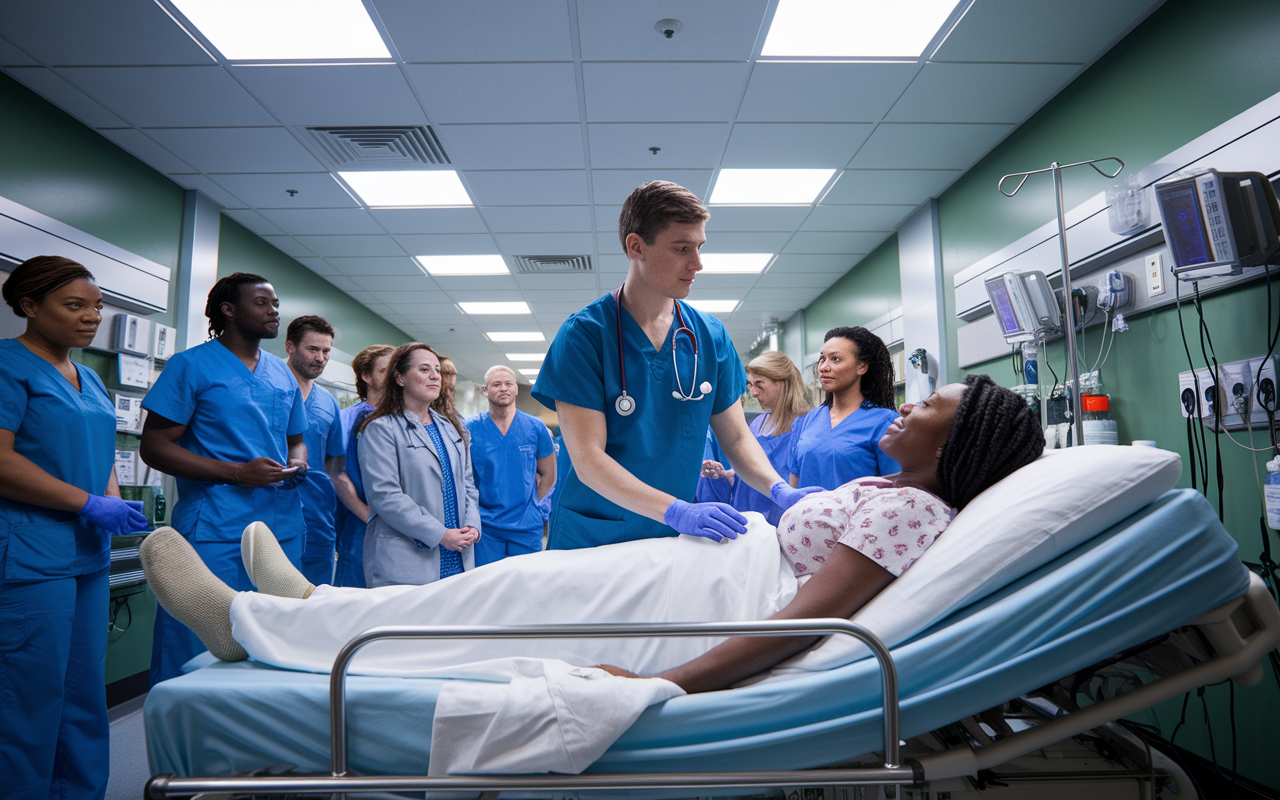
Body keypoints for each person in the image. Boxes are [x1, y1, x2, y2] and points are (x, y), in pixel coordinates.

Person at [139, 375, 1044, 696]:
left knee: (501, 606)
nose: (910, 407)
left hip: (702, 597)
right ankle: (309, 606)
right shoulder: (897, 491)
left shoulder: (910, 510)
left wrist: (670, 680)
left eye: (932, 406)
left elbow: (807, 622)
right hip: (697, 569)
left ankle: (250, 625)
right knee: (495, 594)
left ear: (959, 442)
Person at [532, 181, 820, 550]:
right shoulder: (585, 336)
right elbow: (588, 459)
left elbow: (734, 437)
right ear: (636, 247)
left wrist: (777, 488)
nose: (697, 264)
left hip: (675, 534)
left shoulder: (709, 336)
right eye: (681, 249)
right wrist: (677, 511)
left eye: (699, 248)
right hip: (595, 533)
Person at [0, 256, 148, 800]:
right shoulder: (6, 366)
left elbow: (100, 450)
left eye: (97, 307)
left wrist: (110, 499)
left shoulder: (86, 376)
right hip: (31, 553)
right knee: (28, 699)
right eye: (75, 306)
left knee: (85, 694)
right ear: (29, 306)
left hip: (88, 553)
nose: (91, 318)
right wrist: (85, 502)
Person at [139, 271, 308, 683]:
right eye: (263, 303)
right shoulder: (191, 366)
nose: (274, 311)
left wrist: (297, 463)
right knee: (202, 640)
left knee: (278, 636)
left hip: (280, 522)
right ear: (229, 311)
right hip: (216, 526)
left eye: (276, 304)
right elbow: (155, 447)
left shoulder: (281, 372)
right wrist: (237, 473)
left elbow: (295, 439)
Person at [357, 342, 480, 586]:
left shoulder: (451, 428)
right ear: (400, 378)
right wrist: (440, 534)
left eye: (436, 369)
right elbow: (385, 496)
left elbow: (467, 484)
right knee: (411, 622)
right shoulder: (380, 429)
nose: (435, 375)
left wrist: (472, 525)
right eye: (424, 369)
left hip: (457, 553)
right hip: (407, 558)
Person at [699, 351, 811, 525]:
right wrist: (726, 474)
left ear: (782, 383)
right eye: (750, 385)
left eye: (759, 383)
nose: (753, 392)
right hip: (750, 514)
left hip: (784, 518)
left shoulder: (806, 424)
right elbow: (752, 468)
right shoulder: (758, 423)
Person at [788, 327, 900, 491]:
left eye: (835, 359)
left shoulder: (885, 422)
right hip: (807, 515)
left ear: (861, 367)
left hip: (858, 516)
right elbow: (794, 486)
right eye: (822, 359)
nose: (823, 367)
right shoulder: (807, 421)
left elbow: (896, 490)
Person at [466, 365, 555, 565]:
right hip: (486, 526)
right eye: (496, 384)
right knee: (487, 584)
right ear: (485, 390)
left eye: (509, 384)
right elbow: (465, 479)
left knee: (526, 585)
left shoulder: (535, 427)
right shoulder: (469, 428)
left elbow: (549, 476)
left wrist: (536, 510)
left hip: (526, 526)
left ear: (516, 389)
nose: (503, 388)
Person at [284, 315, 346, 586]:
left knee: (315, 598)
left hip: (316, 516)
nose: (321, 357)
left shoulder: (328, 403)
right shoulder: (270, 390)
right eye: (313, 349)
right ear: (290, 347)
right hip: (272, 504)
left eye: (326, 351)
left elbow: (334, 463)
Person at [332, 343, 393, 588]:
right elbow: (338, 474)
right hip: (361, 523)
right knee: (355, 597)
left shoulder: (410, 418)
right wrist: (368, 516)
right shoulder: (348, 420)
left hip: (406, 526)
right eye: (384, 371)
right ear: (366, 377)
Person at [432, 355, 467, 444]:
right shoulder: (426, 413)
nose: (452, 379)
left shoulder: (456, 417)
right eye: (447, 373)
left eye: (454, 374)